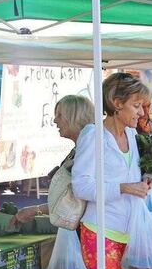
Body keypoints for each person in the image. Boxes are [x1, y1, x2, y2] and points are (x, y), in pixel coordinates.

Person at [72, 73, 152, 269]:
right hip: (100, 233)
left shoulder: (130, 135)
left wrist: (148, 182)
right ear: (117, 103)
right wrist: (124, 187)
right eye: (136, 105)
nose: (140, 113)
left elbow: (132, 177)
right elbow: (81, 186)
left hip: (129, 233)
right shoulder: (93, 134)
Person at [13, 95, 95, 225]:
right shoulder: (80, 150)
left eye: (60, 115)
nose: (55, 120)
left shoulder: (89, 152)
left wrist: (36, 210)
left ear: (76, 117)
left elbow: (77, 198)